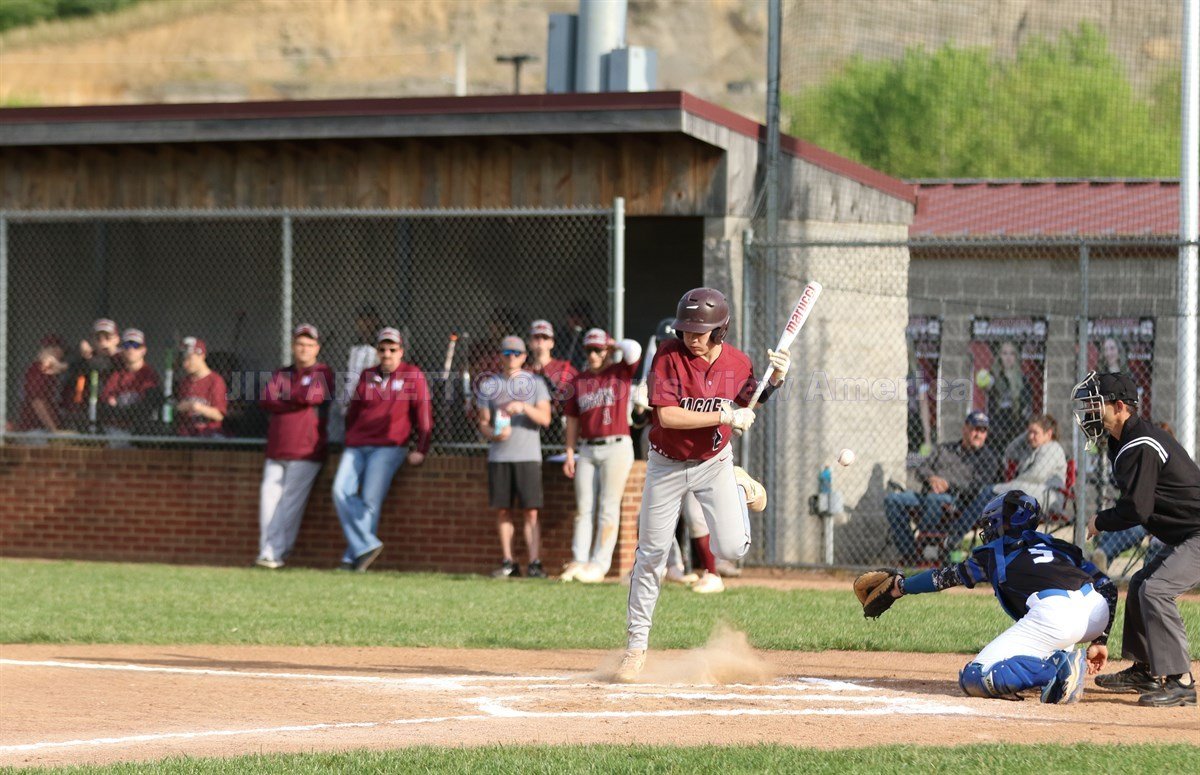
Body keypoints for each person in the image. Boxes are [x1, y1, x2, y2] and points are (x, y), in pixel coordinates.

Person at [616, 287, 784, 682]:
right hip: (666, 464)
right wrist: (725, 416)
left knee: (732, 549)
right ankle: (635, 649)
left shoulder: (737, 362)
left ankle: (738, 486)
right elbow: (668, 417)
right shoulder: (668, 355)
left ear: (719, 331)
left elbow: (752, 398)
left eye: (700, 331)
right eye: (686, 329)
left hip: (714, 462)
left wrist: (777, 378)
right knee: (651, 555)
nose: (690, 336)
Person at [882, 491, 1116, 704]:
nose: (989, 530)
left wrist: (900, 586)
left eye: (993, 523)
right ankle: (1059, 659)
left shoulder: (994, 552)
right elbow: (1108, 587)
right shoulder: (1060, 546)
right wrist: (1100, 639)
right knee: (1034, 649)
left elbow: (941, 578)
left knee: (974, 677)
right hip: (1096, 612)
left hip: (1055, 616)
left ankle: (1057, 670)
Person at [1075, 371, 1200, 707]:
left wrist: (1100, 521)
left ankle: (1181, 680)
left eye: (1096, 404)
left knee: (1156, 590)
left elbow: (1137, 509)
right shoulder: (1122, 443)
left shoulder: (1141, 443)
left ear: (1119, 407)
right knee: (1141, 583)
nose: (1090, 411)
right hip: (1185, 534)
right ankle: (1145, 670)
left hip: (1196, 533)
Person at [333, 327, 432, 572]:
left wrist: (421, 448)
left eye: (392, 349)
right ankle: (366, 545)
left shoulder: (412, 375)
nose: (387, 354)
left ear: (401, 351)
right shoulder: (367, 375)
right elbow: (354, 411)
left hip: (388, 447)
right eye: (382, 349)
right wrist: (350, 435)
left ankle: (352, 557)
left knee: (370, 500)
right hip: (357, 444)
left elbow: (423, 414)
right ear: (377, 352)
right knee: (340, 491)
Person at [561, 328, 641, 583]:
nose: (593, 355)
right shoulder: (579, 380)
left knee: (608, 506)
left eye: (598, 350)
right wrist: (570, 452)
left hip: (616, 446)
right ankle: (579, 560)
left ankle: (599, 564)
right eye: (589, 350)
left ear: (607, 350)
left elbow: (634, 350)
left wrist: (613, 344)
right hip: (587, 448)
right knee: (583, 508)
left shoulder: (619, 371)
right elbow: (572, 420)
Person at [256, 324, 334, 569]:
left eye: (309, 345)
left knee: (289, 504)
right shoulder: (282, 372)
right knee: (268, 501)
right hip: (277, 448)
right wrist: (296, 396)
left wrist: (285, 396)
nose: (304, 349)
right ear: (292, 346)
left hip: (305, 450)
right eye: (300, 344)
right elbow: (267, 399)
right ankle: (267, 551)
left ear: (317, 348)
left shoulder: (323, 372)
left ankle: (276, 552)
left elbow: (313, 396)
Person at [477, 335, 552, 579]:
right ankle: (509, 562)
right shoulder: (489, 385)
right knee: (503, 511)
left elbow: (546, 419)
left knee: (531, 511)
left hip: (528, 456)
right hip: (500, 456)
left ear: (524, 356)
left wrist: (524, 407)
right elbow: (483, 422)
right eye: (507, 353)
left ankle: (534, 563)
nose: (511, 357)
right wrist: (493, 433)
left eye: (516, 353)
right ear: (500, 356)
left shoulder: (536, 383)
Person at [884, 411, 1001, 564]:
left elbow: (980, 485)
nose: (978, 434)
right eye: (975, 429)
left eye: (983, 430)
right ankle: (910, 553)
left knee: (936, 499)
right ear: (965, 429)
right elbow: (921, 469)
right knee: (892, 500)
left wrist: (948, 484)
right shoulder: (944, 449)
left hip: (957, 501)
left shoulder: (988, 458)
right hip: (925, 496)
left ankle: (928, 546)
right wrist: (932, 478)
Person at [993, 414, 1067, 512]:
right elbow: (1009, 452)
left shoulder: (1053, 448)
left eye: (1035, 433)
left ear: (1049, 434)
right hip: (1030, 490)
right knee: (990, 493)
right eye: (1029, 432)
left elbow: (1036, 475)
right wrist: (1028, 433)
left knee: (991, 492)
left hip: (1047, 495)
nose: (1030, 437)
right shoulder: (1033, 449)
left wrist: (1012, 484)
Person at [329, 306, 381, 443]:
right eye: (362, 320)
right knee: (337, 410)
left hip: (372, 392)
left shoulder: (379, 345)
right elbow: (351, 375)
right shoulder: (355, 345)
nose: (365, 323)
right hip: (352, 391)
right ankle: (337, 444)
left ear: (375, 321)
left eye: (369, 320)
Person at [60, 318, 121, 432]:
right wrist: (81, 352)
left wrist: (88, 356)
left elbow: (104, 365)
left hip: (116, 414)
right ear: (92, 341)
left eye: (107, 337)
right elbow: (71, 363)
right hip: (88, 412)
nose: (103, 342)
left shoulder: (122, 357)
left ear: (117, 339)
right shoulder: (86, 357)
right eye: (98, 338)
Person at [99, 328, 161, 437]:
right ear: (122, 350)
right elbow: (106, 402)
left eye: (136, 345)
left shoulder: (149, 374)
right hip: (116, 428)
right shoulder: (117, 374)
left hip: (140, 430)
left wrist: (119, 409)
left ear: (143, 350)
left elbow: (146, 406)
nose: (131, 349)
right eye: (127, 345)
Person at [527, 319, 578, 447]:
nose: (540, 341)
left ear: (552, 343)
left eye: (545, 337)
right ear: (530, 342)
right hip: (530, 422)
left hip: (558, 425)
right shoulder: (524, 371)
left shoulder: (564, 369)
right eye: (536, 337)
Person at [978, 340, 1033, 450]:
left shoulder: (1023, 379)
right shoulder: (993, 376)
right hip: (997, 424)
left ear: (1016, 357)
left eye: (1012, 354)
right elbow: (989, 391)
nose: (1008, 358)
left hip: (1016, 422)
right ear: (1000, 356)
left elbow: (1026, 405)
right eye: (1004, 353)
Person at [173, 337, 228, 437]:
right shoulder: (184, 382)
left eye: (189, 358)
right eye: (184, 359)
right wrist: (179, 407)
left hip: (209, 434)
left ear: (201, 356)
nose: (185, 364)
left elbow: (219, 416)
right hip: (186, 434)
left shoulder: (215, 381)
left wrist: (198, 407)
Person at [16, 335, 67, 432]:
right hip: (35, 429)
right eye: (50, 348)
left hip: (46, 427)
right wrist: (54, 430)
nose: (59, 353)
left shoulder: (52, 371)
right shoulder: (38, 370)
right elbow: (37, 401)